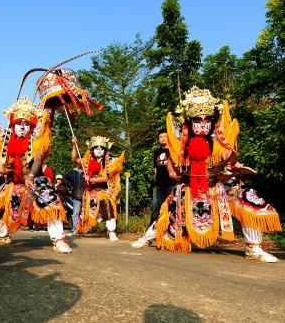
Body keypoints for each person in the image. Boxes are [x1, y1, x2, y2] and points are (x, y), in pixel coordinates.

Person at [131, 87, 281, 263]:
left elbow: (226, 154)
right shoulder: (181, 139)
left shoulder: (218, 138)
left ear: (212, 120)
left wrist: (234, 162)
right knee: (170, 210)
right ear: (190, 119)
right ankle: (147, 238)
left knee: (248, 197)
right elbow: (171, 161)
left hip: (217, 182)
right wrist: (173, 174)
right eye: (197, 119)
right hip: (189, 184)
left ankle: (254, 248)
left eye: (206, 119)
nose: (202, 122)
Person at [0, 96, 72, 253]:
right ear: (13, 125)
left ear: (31, 126)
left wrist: (31, 176)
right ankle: (2, 235)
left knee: (53, 205)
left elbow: (38, 157)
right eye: (19, 123)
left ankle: (59, 239)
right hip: (14, 182)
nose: (22, 127)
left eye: (26, 124)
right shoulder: (6, 140)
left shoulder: (36, 139)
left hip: (36, 180)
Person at [72, 136, 124, 241]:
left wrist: (91, 179)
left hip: (103, 190)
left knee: (108, 207)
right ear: (92, 150)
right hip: (90, 190)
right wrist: (74, 144)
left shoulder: (110, 162)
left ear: (105, 151)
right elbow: (74, 159)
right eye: (96, 148)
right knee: (84, 210)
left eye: (101, 149)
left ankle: (111, 231)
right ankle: (79, 229)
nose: (98, 151)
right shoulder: (87, 160)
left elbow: (105, 177)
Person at [131, 129, 176, 248]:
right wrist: (156, 181)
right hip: (158, 184)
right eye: (160, 137)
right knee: (155, 209)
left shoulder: (173, 150)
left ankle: (167, 235)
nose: (162, 138)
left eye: (165, 136)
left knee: (170, 209)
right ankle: (149, 237)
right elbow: (156, 169)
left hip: (171, 183)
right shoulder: (156, 152)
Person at [64, 164, 85, 236]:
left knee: (86, 212)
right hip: (76, 194)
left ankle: (86, 229)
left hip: (86, 194)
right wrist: (70, 185)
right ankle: (75, 229)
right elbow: (65, 179)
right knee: (75, 213)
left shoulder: (87, 171)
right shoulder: (73, 171)